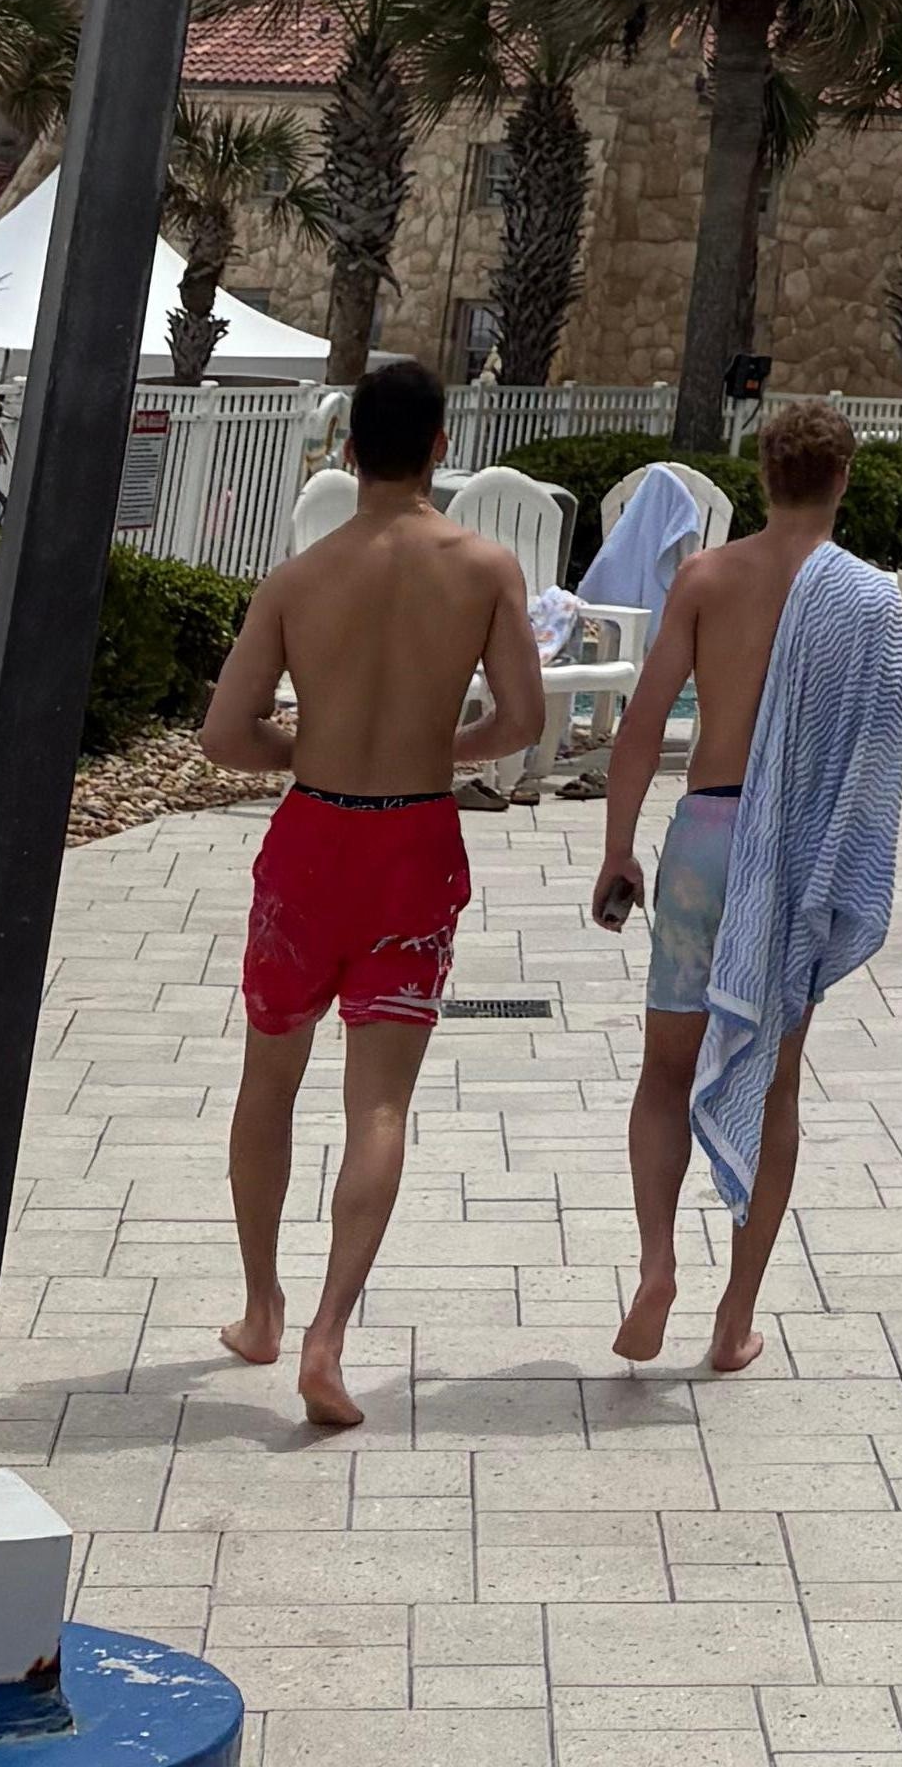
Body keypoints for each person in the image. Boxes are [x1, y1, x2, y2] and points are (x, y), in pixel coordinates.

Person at [198, 353, 547, 1426]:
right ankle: (328, 1338)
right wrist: (437, 750)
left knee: (269, 1082)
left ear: (348, 451)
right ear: (441, 447)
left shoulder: (298, 579)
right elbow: (523, 722)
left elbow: (225, 735)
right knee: (379, 1104)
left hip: (313, 840)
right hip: (413, 843)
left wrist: (309, 753)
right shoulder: (484, 568)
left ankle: (261, 1308)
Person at [595, 394, 902, 1371]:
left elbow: (641, 727)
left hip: (704, 838)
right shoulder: (867, 599)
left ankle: (657, 1264)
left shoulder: (706, 577)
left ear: (763, 476)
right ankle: (733, 1320)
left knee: (663, 1071)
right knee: (774, 1084)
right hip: (790, 858)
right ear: (843, 479)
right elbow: (881, 752)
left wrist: (619, 849)